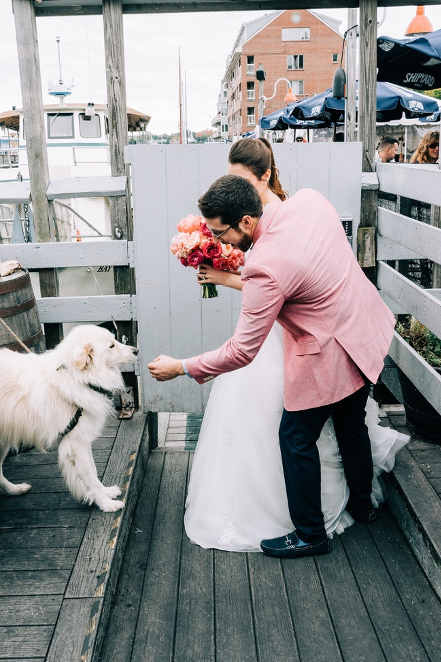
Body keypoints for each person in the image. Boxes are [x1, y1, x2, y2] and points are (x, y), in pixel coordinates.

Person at [148, 165, 398, 560]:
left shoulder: (264, 267)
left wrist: (182, 366)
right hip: (363, 329)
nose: (217, 239)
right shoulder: (310, 200)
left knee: (295, 438)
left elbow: (241, 351)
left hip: (328, 352)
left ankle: (310, 534)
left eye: (220, 232)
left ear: (246, 220)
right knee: (351, 425)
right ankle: (363, 505)